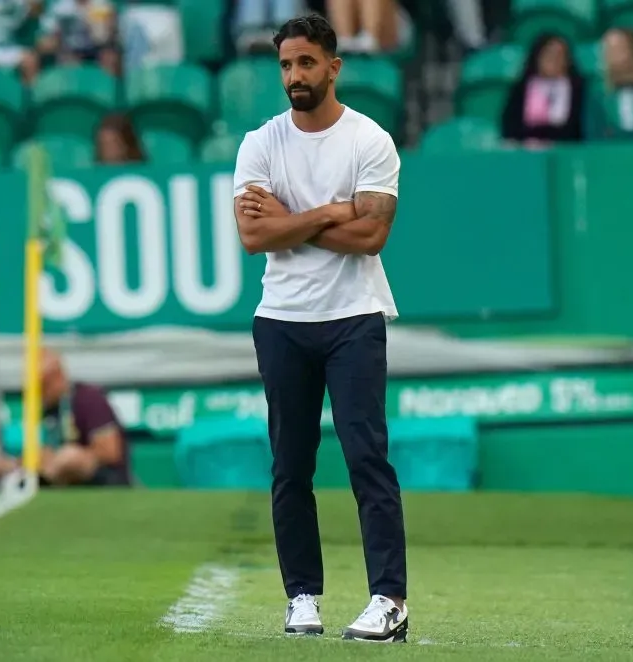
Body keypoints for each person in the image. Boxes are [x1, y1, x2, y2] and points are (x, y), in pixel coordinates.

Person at [231, 13, 408, 643]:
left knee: (368, 460)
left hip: (354, 318)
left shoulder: (369, 140)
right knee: (290, 466)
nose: (295, 76)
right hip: (281, 320)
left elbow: (372, 235)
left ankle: (389, 599)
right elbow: (254, 234)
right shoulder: (260, 143)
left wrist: (296, 218)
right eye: (285, 64)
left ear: (333, 67)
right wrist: (334, 210)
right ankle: (301, 595)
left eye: (306, 63)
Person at [38, 348, 131, 487]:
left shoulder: (88, 398)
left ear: (58, 376)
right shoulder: (43, 410)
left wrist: (75, 457)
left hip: (105, 483)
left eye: (43, 386)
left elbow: (111, 451)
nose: (39, 394)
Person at [501, 33, 585, 147]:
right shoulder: (520, 90)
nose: (554, 60)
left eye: (559, 55)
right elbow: (510, 128)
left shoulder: (579, 91)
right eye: (548, 54)